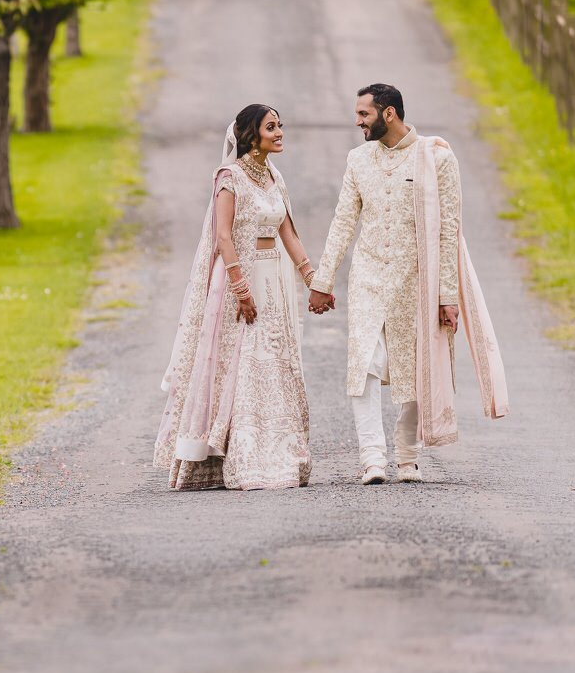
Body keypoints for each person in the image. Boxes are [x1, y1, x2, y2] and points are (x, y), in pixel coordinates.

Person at [307, 82, 506, 484]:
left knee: (416, 368)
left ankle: (407, 455)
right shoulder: (358, 160)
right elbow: (344, 221)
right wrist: (323, 279)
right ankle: (372, 457)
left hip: (418, 280)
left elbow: (449, 229)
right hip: (368, 278)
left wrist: (447, 294)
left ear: (389, 113)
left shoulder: (435, 159)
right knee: (362, 365)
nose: (357, 121)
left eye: (364, 114)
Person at [154, 103, 316, 490]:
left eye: (280, 126)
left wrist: (314, 279)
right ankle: (235, 456)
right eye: (271, 127)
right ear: (250, 134)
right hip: (237, 283)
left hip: (274, 281)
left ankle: (277, 451)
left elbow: (287, 233)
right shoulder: (229, 177)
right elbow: (223, 236)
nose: (279, 133)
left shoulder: (275, 177)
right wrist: (241, 289)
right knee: (241, 363)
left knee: (273, 361)